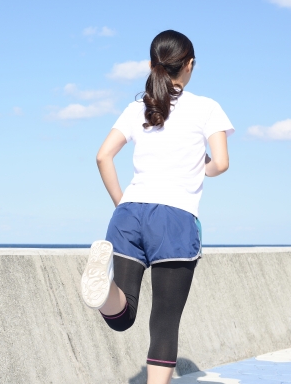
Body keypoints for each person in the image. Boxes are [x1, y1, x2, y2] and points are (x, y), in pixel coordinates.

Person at [80, 29, 234, 384]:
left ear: (151, 64)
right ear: (190, 65)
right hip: (175, 218)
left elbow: (103, 156)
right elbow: (221, 163)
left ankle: (104, 291)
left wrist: (123, 206)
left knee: (123, 315)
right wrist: (203, 167)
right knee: (164, 322)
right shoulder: (207, 107)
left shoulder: (138, 108)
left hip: (129, 214)